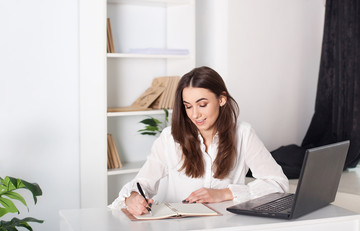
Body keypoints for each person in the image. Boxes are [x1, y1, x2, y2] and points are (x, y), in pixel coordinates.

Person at [109, 66, 289, 216]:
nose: (195, 114)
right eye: (188, 106)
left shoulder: (243, 134)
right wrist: (132, 197)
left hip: (226, 229)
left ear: (222, 99)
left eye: (202, 104)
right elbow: (143, 184)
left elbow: (278, 183)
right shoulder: (170, 138)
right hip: (178, 229)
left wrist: (224, 193)